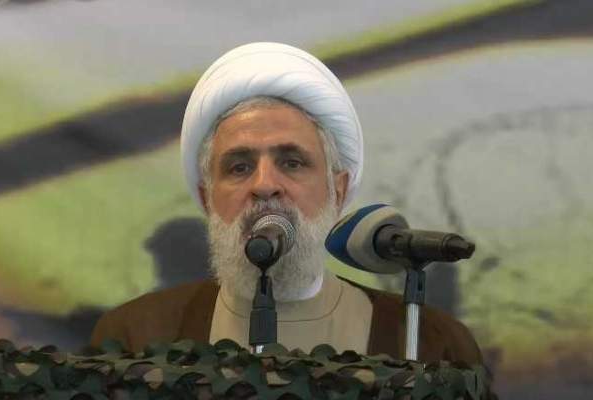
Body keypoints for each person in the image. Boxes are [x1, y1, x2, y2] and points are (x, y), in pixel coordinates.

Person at [89, 42, 484, 365]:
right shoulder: (134, 336)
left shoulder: (432, 342)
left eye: (291, 163)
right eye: (240, 167)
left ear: (338, 191)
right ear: (208, 198)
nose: (265, 185)